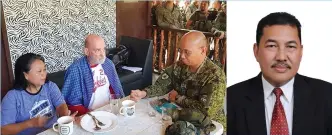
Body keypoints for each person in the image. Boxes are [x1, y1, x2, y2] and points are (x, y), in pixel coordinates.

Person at [227, 12, 332, 135]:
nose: (281, 57)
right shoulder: (231, 98)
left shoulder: (327, 96)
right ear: (256, 51)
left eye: (291, 46)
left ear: (301, 52)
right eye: (272, 46)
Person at [130, 31, 226, 129]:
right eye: (181, 51)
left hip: (209, 125)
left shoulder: (215, 76)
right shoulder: (181, 65)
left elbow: (205, 111)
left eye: (187, 52)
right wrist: (144, 93)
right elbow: (162, 84)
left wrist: (178, 98)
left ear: (203, 50)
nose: (182, 56)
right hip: (182, 115)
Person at [1, 53, 77, 135]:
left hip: (53, 131)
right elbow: (3, 130)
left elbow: (61, 105)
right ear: (25, 75)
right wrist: (30, 123)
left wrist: (65, 117)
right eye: (39, 71)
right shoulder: (12, 97)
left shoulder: (50, 86)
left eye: (44, 69)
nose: (44, 74)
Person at [62, 34, 124, 116]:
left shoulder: (108, 63)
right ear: (86, 51)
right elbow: (73, 103)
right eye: (98, 50)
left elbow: (114, 89)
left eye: (104, 49)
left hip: (110, 110)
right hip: (90, 115)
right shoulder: (75, 70)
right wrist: (90, 114)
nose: (103, 54)